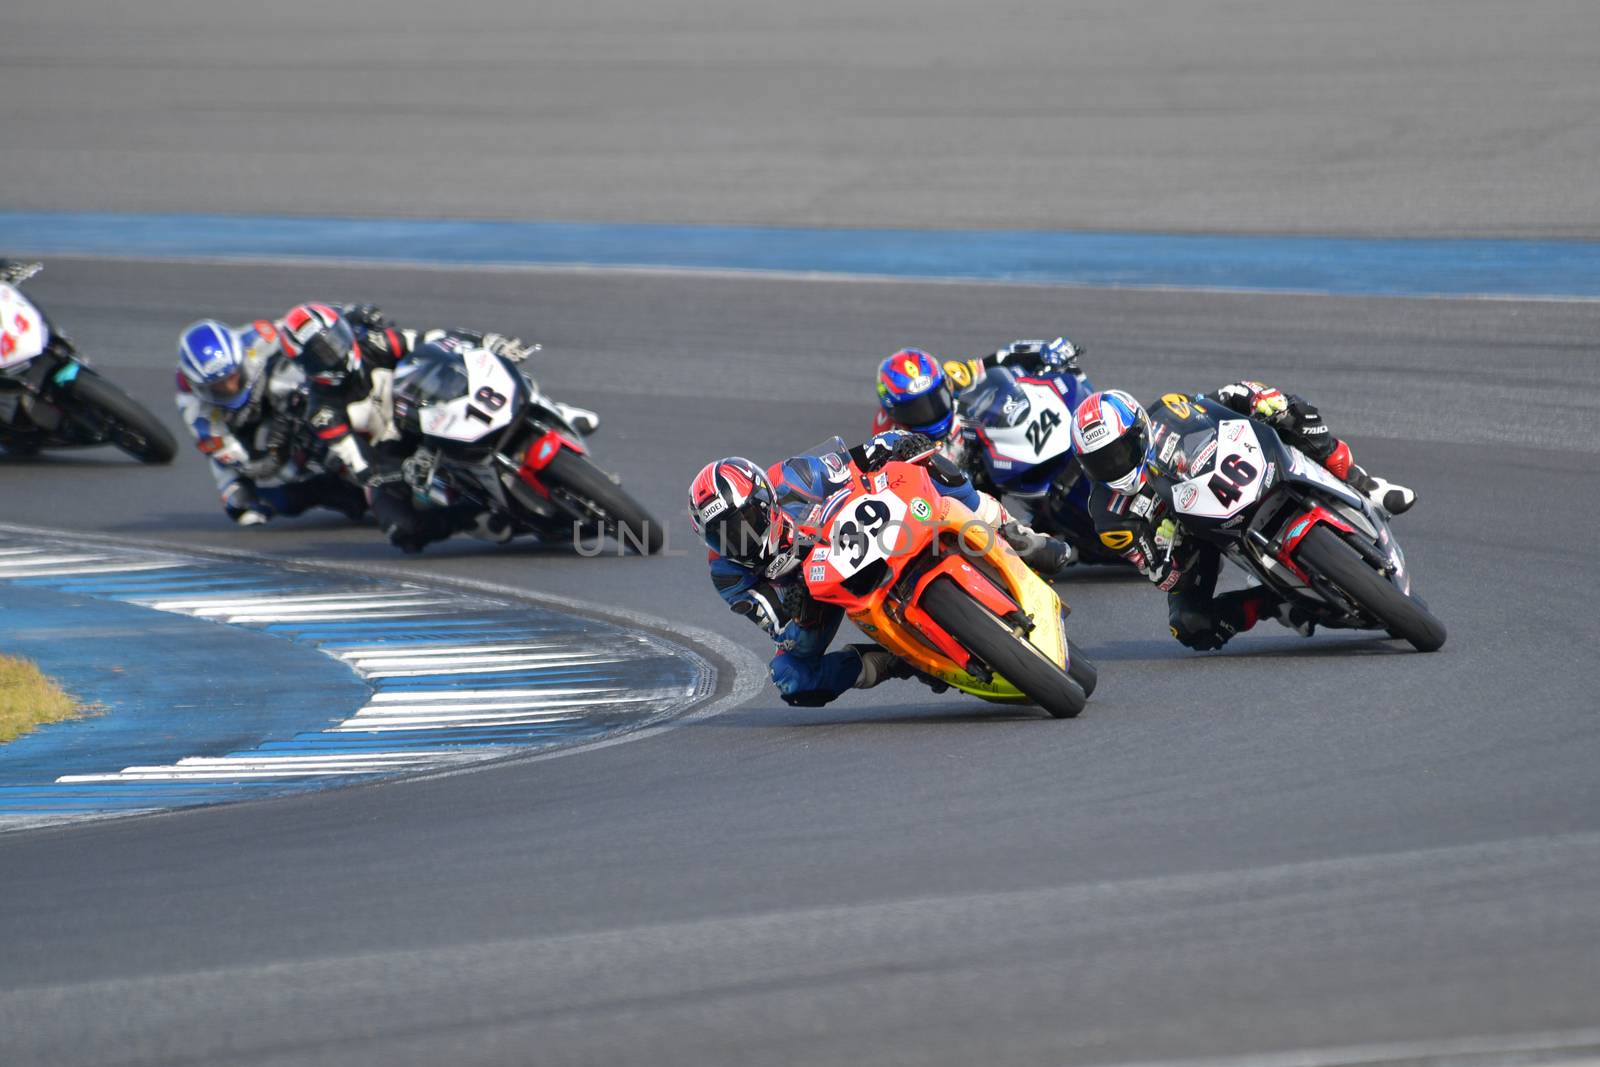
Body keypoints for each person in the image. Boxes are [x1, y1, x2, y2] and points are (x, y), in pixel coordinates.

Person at [687, 430, 1073, 707]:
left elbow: (857, 460)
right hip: (815, 594)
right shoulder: (728, 575)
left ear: (764, 500)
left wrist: (899, 445)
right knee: (791, 678)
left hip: (851, 534)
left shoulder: (794, 477)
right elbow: (781, 629)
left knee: (933, 469)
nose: (739, 540)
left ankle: (1012, 532)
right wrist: (796, 607)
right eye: (722, 536)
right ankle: (894, 662)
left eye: (743, 522)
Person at [1069, 382, 1417, 651]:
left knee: (1294, 411)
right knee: (1190, 626)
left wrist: (1260, 399)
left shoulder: (1168, 410)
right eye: (1101, 462)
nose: (1114, 465)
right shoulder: (1109, 516)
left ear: (1138, 432)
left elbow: (1221, 399)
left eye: (1119, 453)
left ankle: (1365, 483)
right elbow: (1166, 577)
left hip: (1228, 474)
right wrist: (1166, 551)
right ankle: (1272, 604)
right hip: (1194, 537)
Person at [264, 302, 597, 552]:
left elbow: (436, 341)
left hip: (430, 410)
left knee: (494, 375)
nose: (333, 354)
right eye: (319, 354)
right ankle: (478, 518)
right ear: (305, 365)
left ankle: (549, 410)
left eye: (334, 341)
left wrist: (488, 342)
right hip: (396, 454)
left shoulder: (375, 344)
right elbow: (358, 463)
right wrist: (398, 470)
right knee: (403, 532)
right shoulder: (322, 410)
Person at [175, 317, 368, 525]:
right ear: (198, 386)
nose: (230, 389)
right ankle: (332, 490)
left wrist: (349, 316)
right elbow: (242, 464)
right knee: (243, 502)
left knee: (292, 374)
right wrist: (277, 450)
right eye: (218, 387)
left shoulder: (258, 337)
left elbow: (304, 325)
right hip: (252, 434)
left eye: (233, 377)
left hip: (284, 394)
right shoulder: (195, 411)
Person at [870, 337, 1088, 462]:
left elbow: (1004, 357)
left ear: (945, 383)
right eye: (916, 410)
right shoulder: (887, 437)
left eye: (936, 399)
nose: (929, 412)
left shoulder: (955, 375)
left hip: (997, 449)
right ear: (894, 412)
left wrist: (1044, 351)